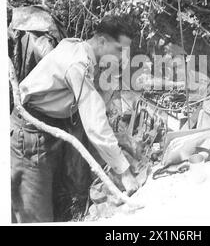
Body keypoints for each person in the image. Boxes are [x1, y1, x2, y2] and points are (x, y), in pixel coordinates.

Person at [10, 15, 139, 223]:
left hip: (49, 132)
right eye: (119, 49)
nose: (123, 57)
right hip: (30, 136)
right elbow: (95, 124)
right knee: (34, 217)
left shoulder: (79, 48)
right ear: (102, 41)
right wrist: (124, 171)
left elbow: (96, 103)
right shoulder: (77, 64)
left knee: (46, 205)